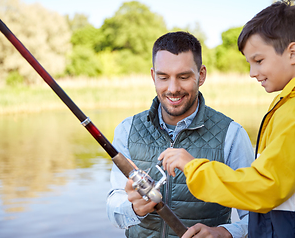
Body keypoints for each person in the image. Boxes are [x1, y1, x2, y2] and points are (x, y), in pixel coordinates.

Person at [158, 0, 295, 238]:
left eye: (258, 61)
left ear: (292, 53)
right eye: (250, 63)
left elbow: (265, 186)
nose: (252, 72)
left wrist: (193, 167)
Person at [106, 31, 254, 238]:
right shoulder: (126, 129)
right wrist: (132, 208)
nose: (173, 88)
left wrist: (224, 233)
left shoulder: (232, 135)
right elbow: (114, 206)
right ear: (153, 76)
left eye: (183, 77)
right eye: (163, 77)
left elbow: (256, 216)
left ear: (201, 75)